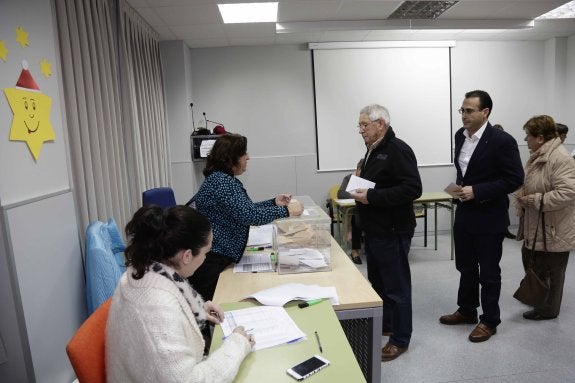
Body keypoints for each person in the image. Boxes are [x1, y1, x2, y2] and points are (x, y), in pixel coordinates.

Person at [106, 205, 254, 383]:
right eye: (206, 252)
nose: (206, 258)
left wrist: (193, 309)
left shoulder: (140, 272)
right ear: (187, 256)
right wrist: (237, 345)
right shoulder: (158, 309)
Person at [439, 90, 524, 342]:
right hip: (465, 213)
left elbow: (514, 179)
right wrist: (460, 188)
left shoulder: (502, 140)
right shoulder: (460, 136)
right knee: (465, 266)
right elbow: (466, 171)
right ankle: (466, 310)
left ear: (485, 112)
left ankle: (489, 320)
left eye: (469, 110)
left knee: (488, 272)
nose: (463, 115)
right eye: (462, 110)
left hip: (489, 216)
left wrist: (477, 191)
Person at [189, 133, 304, 301]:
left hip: (217, 257)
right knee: (212, 312)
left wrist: (274, 202)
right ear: (231, 158)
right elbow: (249, 215)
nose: (248, 157)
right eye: (244, 154)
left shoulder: (220, 179)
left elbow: (243, 209)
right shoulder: (222, 182)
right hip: (212, 261)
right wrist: (287, 211)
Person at [349, 104, 422, 361]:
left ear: (381, 124)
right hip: (375, 229)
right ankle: (388, 323)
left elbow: (413, 188)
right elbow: (382, 184)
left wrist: (372, 195)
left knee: (397, 287)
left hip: (393, 230)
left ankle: (400, 339)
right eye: (359, 125)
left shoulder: (397, 149)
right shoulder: (372, 150)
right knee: (379, 284)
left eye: (364, 125)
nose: (360, 130)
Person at [516, 115, 575, 320]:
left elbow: (568, 193)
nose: (525, 140)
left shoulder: (560, 158)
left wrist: (534, 200)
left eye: (528, 136)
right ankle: (540, 301)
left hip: (554, 227)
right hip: (540, 223)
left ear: (540, 138)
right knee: (534, 262)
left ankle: (549, 310)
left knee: (553, 271)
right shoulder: (540, 155)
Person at [492, 123, 518, 240]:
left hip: (502, 185)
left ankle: (504, 229)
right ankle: (500, 229)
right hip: (492, 186)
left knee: (504, 205)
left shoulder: (506, 145)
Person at [337, 159, 364, 264]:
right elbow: (341, 194)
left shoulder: (371, 178)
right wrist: (358, 195)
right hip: (354, 209)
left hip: (369, 208)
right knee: (356, 218)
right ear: (357, 170)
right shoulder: (349, 178)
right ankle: (354, 251)